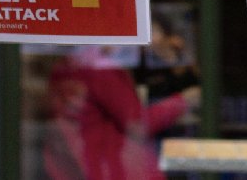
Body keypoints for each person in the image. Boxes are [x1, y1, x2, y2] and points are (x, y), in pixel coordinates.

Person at [42, 45, 199, 180]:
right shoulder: (99, 67)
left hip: (80, 167)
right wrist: (184, 101)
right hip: (111, 168)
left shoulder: (67, 66)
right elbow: (137, 125)